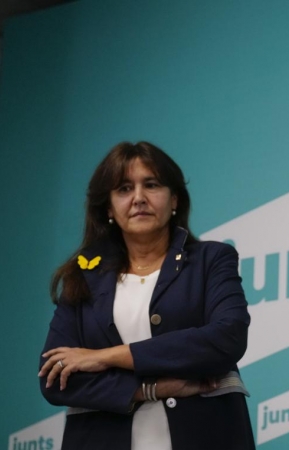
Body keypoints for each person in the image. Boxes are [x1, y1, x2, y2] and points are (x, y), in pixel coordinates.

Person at [39, 142, 255, 450]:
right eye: (124, 189)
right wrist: (150, 389)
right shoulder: (83, 275)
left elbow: (227, 338)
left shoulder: (212, 259)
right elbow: (55, 377)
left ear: (175, 199)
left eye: (151, 185)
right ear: (109, 209)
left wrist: (105, 356)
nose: (139, 198)